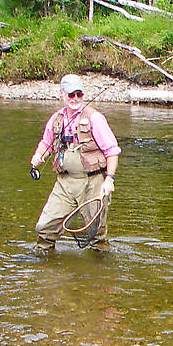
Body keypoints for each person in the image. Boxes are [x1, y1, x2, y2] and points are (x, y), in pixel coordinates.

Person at [30, 74, 121, 253]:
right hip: (65, 183)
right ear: (62, 94)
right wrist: (39, 155)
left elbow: (112, 151)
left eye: (80, 94)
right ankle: (42, 263)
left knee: (96, 234)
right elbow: (46, 143)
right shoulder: (56, 119)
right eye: (71, 95)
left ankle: (100, 269)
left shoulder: (95, 118)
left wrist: (109, 179)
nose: (76, 99)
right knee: (44, 227)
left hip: (93, 183)